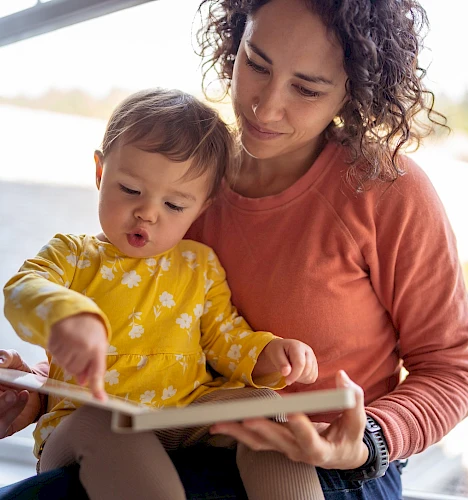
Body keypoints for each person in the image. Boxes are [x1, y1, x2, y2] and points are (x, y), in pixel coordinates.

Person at [0, 0, 468, 498]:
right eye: (256, 63)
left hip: (337, 467)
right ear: (235, 41)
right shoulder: (186, 181)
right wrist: (34, 390)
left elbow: (451, 372)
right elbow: (138, 319)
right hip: (182, 435)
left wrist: (365, 441)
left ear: (352, 91)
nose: (265, 106)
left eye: (306, 88)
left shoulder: (388, 190)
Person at [2, 87, 324, 500]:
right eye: (131, 190)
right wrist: (66, 316)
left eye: (174, 205)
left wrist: (268, 355)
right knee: (107, 421)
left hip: (183, 414)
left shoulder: (199, 265)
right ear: (100, 173)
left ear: (202, 208)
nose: (148, 213)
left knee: (267, 406)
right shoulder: (75, 254)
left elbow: (224, 337)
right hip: (83, 424)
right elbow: (22, 289)